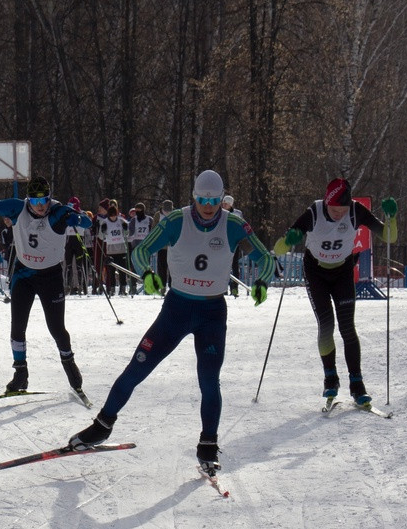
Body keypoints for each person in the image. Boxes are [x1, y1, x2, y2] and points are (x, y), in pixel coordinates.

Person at [67, 170, 276, 475]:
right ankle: (102, 425)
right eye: (202, 199)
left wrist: (263, 282)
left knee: (209, 379)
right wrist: (148, 275)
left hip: (212, 314)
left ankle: (208, 443)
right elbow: (141, 251)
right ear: (194, 196)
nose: (208, 206)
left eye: (214, 200)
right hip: (177, 309)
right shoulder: (177, 220)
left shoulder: (232, 224)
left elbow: (265, 258)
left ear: (222, 199)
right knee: (137, 366)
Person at [273, 177, 387, 408]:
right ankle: (330, 379)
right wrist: (289, 239)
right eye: (334, 210)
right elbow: (278, 249)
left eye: (342, 210)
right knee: (326, 325)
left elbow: (388, 236)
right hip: (316, 273)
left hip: (343, 272)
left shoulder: (356, 211)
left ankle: (357, 385)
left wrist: (392, 218)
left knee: (347, 327)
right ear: (326, 203)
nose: (338, 214)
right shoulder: (314, 212)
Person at [0, 176, 93, 399]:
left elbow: (86, 222)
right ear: (28, 200)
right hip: (23, 273)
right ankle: (20, 374)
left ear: (50, 198)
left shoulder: (58, 212)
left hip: (50, 276)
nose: (40, 205)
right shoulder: (18, 208)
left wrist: (78, 219)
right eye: (35, 201)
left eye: (44, 200)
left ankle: (70, 366)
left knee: (56, 328)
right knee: (17, 326)